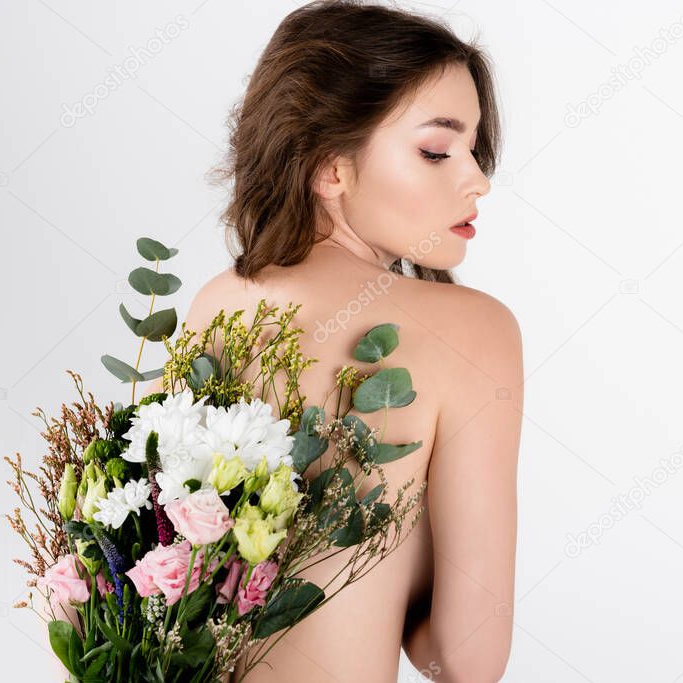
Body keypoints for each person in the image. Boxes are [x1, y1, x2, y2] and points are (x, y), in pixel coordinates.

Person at [152, 2, 524, 681]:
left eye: (473, 149)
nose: (476, 179)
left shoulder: (216, 303)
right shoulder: (474, 329)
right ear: (330, 169)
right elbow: (466, 657)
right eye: (436, 150)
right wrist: (390, 565)